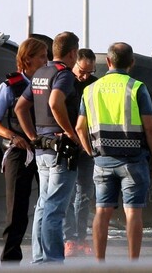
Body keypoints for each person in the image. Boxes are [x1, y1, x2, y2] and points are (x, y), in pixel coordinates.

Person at [76, 42, 152, 261]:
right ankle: (133, 263)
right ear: (131, 63)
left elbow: (79, 127)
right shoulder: (137, 88)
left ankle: (99, 263)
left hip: (102, 161)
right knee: (133, 213)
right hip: (133, 161)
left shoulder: (90, 90)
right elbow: (150, 128)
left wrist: (90, 152)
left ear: (109, 62)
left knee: (102, 212)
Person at [14, 31, 81, 264]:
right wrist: (71, 134)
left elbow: (20, 108)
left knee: (43, 205)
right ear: (73, 53)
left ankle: (40, 259)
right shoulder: (64, 75)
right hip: (60, 150)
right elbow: (55, 102)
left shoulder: (41, 73)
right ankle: (53, 261)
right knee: (55, 208)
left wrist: (33, 135)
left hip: (42, 149)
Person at [0, 37, 49, 263]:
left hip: (45, 150)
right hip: (19, 151)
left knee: (49, 204)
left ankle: (46, 257)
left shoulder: (48, 83)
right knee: (17, 210)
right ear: (27, 59)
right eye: (42, 56)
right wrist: (13, 136)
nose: (46, 60)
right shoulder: (10, 86)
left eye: (47, 56)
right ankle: (10, 260)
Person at [63, 48, 97, 257]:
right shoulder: (65, 81)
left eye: (88, 72)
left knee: (85, 193)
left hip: (87, 146)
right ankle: (69, 238)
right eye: (82, 71)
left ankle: (81, 236)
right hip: (67, 143)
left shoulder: (94, 84)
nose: (84, 76)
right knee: (67, 193)